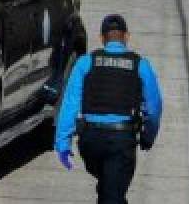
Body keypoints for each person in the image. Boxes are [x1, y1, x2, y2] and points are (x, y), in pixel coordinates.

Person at [54, 14, 163, 204]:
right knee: (113, 193)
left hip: (90, 142)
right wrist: (148, 136)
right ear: (126, 37)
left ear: (102, 38)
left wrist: (63, 143)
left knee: (108, 189)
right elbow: (154, 108)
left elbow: (70, 104)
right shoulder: (140, 65)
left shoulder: (86, 62)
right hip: (121, 142)